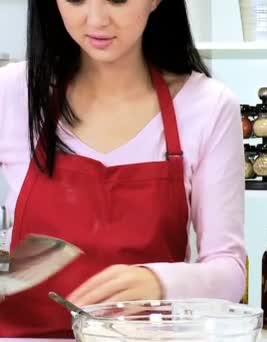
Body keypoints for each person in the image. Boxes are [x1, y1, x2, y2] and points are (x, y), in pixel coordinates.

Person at [0, 0, 245, 337]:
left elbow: (230, 271)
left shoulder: (209, 107)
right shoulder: (12, 92)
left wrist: (160, 281)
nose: (97, 19)